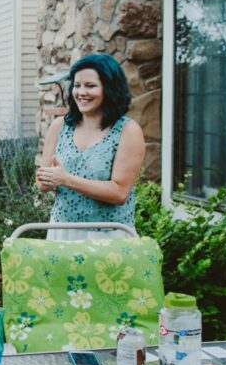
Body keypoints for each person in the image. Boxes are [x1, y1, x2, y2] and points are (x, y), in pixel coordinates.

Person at [36, 54, 145, 240]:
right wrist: (47, 180)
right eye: (77, 85)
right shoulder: (59, 126)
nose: (81, 92)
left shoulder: (127, 130)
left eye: (90, 86)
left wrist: (66, 179)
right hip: (62, 231)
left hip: (109, 235)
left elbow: (119, 193)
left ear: (110, 89)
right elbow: (42, 183)